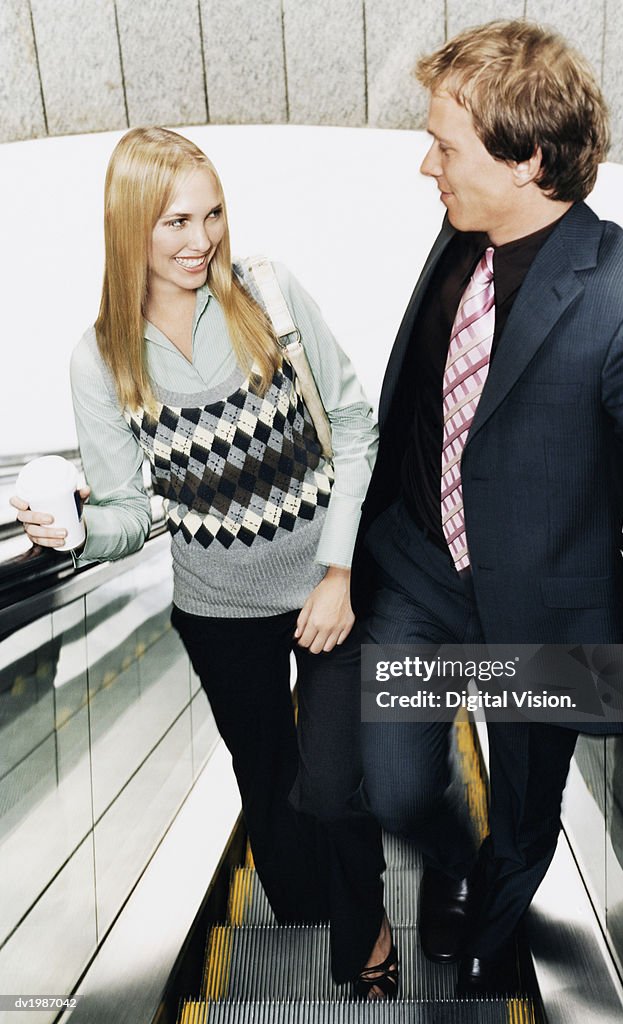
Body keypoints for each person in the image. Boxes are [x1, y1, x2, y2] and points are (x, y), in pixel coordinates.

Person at [352, 19, 623, 997]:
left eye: (443, 146)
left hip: (536, 613)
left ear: (527, 159)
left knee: (526, 814)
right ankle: (451, 869)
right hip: (417, 568)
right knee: (397, 783)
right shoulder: (464, 228)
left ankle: (488, 931)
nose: (425, 166)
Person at [12, 127, 397, 998]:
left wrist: (337, 572)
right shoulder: (102, 358)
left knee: (335, 782)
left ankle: (366, 925)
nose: (202, 240)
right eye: (175, 222)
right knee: (266, 776)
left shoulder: (268, 295)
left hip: (328, 586)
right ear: (129, 231)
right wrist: (72, 530)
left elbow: (358, 426)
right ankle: (304, 904)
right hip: (218, 608)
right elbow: (123, 514)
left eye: (212, 213)